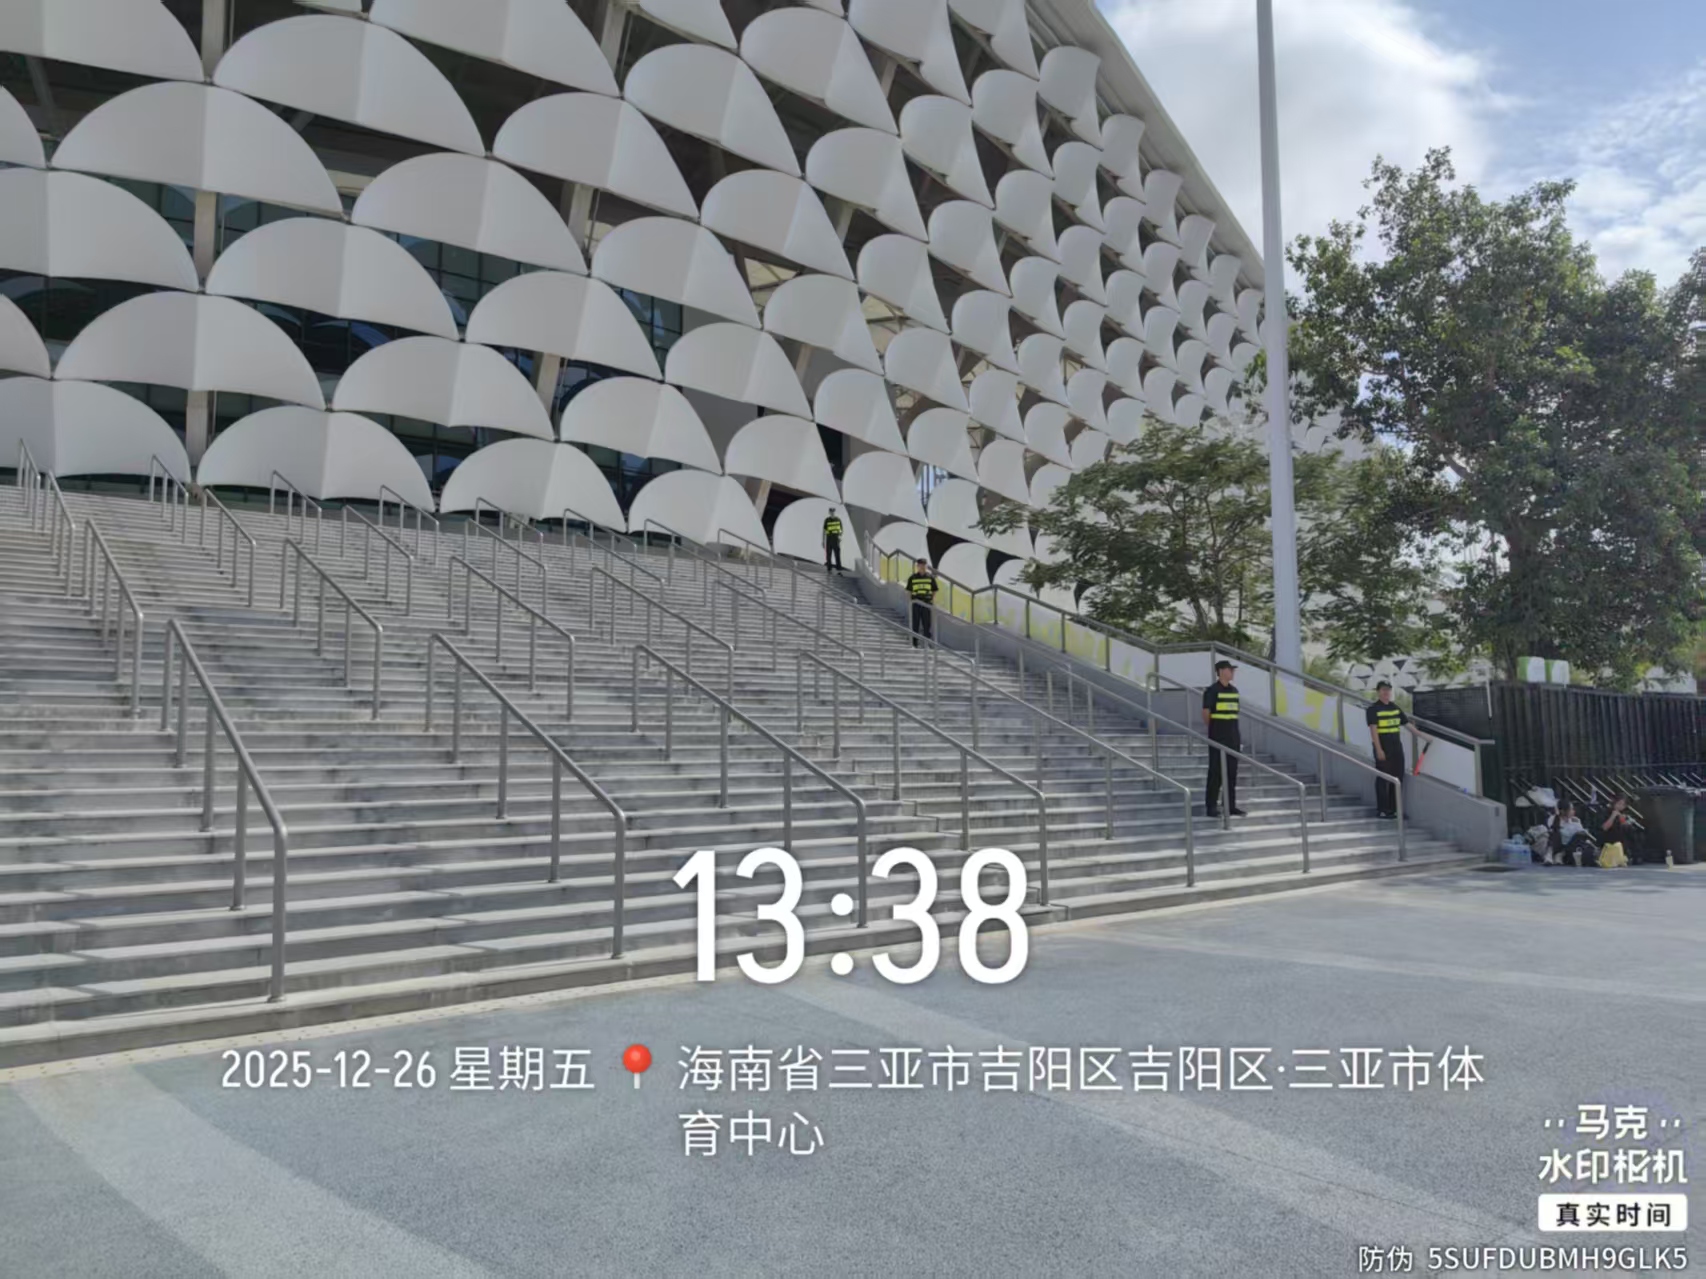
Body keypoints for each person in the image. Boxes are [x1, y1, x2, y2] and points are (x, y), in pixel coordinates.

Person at [1201, 659, 1245, 817]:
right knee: (1216, 772)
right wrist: (1214, 730)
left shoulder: (1234, 691)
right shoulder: (1212, 691)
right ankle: (1211, 806)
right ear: (1220, 671)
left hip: (1233, 737)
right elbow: (1206, 713)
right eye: (1229, 669)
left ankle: (1230, 805)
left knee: (1231, 773)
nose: (1232, 672)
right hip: (1218, 737)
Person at [1366, 680, 1411, 819]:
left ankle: (1394, 809)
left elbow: (1407, 724)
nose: (1386, 692)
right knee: (1383, 778)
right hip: (1383, 747)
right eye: (1383, 690)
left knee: (1398, 778)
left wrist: (1423, 735)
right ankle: (1382, 810)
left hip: (1396, 748)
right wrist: (1379, 749)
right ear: (1378, 692)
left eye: (1388, 690)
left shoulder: (1395, 708)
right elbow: (1373, 731)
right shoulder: (1373, 709)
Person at [1549, 803, 1597, 867]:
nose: (1573, 811)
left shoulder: (1575, 820)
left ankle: (1566, 854)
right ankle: (1556, 854)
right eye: (1571, 809)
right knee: (1555, 833)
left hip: (1571, 845)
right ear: (1563, 811)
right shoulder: (1554, 819)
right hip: (1559, 843)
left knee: (1580, 836)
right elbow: (1552, 830)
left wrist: (1579, 824)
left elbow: (1581, 832)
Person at [906, 558, 937, 647]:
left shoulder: (930, 577)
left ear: (926, 566)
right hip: (916, 603)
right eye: (920, 565)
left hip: (926, 603)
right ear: (917, 566)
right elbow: (909, 591)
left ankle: (927, 643)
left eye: (924, 565)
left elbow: (934, 590)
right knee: (915, 623)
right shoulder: (912, 578)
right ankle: (914, 643)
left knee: (927, 624)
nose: (922, 567)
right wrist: (910, 602)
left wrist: (932, 600)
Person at [1598, 796, 1632, 868]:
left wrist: (1623, 820)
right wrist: (1613, 816)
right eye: (1619, 803)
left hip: (1620, 842)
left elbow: (1626, 828)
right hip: (1608, 841)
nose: (1620, 806)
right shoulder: (1606, 812)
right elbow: (1604, 828)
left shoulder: (1625, 814)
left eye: (1623, 805)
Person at [822, 509, 844, 573]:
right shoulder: (827, 520)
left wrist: (840, 537)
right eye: (831, 512)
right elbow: (824, 531)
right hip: (829, 538)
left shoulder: (838, 520)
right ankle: (829, 568)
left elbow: (841, 530)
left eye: (833, 512)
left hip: (836, 538)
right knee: (828, 554)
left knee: (837, 554)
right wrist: (823, 541)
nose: (832, 513)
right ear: (829, 512)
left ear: (835, 512)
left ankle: (839, 568)